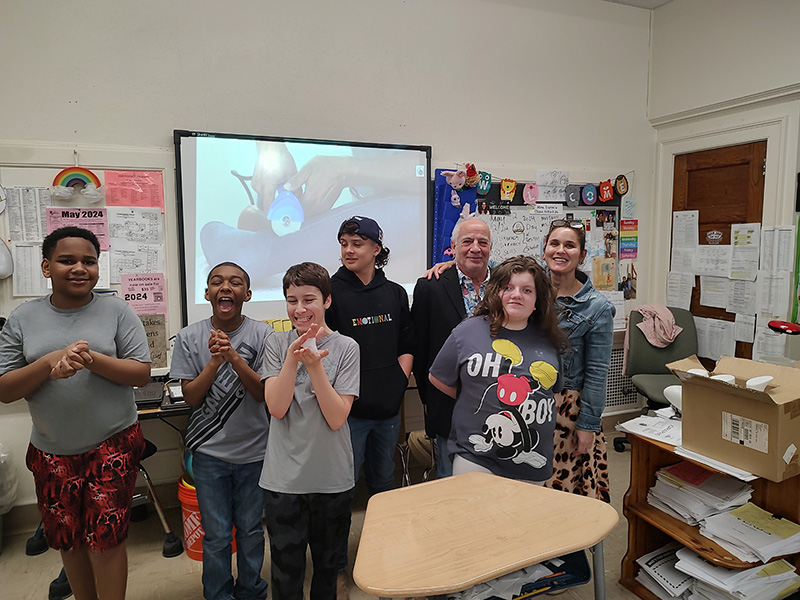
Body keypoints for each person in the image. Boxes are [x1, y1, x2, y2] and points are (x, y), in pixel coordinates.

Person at [0, 226, 151, 600]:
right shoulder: (22, 318)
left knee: (107, 540)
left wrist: (90, 359)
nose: (80, 268)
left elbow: (141, 372)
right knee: (68, 539)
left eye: (89, 261)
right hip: (51, 451)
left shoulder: (117, 310)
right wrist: (50, 361)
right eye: (67, 260)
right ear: (46, 267)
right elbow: (5, 389)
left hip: (112, 444)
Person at [169, 262, 272, 600]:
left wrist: (235, 358)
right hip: (209, 455)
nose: (226, 287)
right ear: (207, 294)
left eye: (236, 282)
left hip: (254, 453)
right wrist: (214, 361)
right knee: (215, 536)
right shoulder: (188, 337)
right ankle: (217, 594)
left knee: (252, 530)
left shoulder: (263, 335)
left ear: (248, 293)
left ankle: (251, 591)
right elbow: (191, 397)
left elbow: (262, 394)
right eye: (217, 282)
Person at [260, 262, 360, 600]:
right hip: (283, 480)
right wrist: (292, 359)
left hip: (331, 478)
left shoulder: (347, 348)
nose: (300, 309)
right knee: (285, 573)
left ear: (327, 301)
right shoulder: (275, 344)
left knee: (327, 570)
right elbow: (277, 407)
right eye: (292, 300)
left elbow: (336, 418)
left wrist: (316, 367)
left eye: (309, 300)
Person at [326, 216, 414, 588]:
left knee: (383, 484)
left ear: (376, 249)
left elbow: (407, 343)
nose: (348, 250)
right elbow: (323, 347)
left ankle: (384, 554)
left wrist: (398, 381)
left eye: (357, 243)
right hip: (349, 414)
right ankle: (339, 565)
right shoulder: (330, 290)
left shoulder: (394, 292)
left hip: (387, 410)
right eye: (344, 242)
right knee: (342, 490)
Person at [428, 256, 567, 481]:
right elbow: (438, 378)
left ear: (538, 301)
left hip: (531, 457)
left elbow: (553, 392)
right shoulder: (467, 331)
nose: (516, 295)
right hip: (475, 454)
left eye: (527, 290)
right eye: (508, 287)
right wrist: (473, 397)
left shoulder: (549, 340)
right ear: (496, 293)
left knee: (524, 517)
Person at [411, 217, 492, 478]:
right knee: (451, 478)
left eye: (482, 242)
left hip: (498, 403)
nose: (475, 248)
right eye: (467, 241)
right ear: (453, 246)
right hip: (449, 404)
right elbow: (421, 349)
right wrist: (430, 400)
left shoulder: (507, 286)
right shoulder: (430, 287)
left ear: (491, 247)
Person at [542, 219, 615, 501]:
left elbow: (598, 373)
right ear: (545, 249)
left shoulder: (597, 308)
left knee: (565, 494)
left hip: (567, 411)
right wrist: (449, 264)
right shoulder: (531, 292)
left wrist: (588, 426)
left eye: (570, 245)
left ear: (582, 255)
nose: (561, 250)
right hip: (530, 404)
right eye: (555, 244)